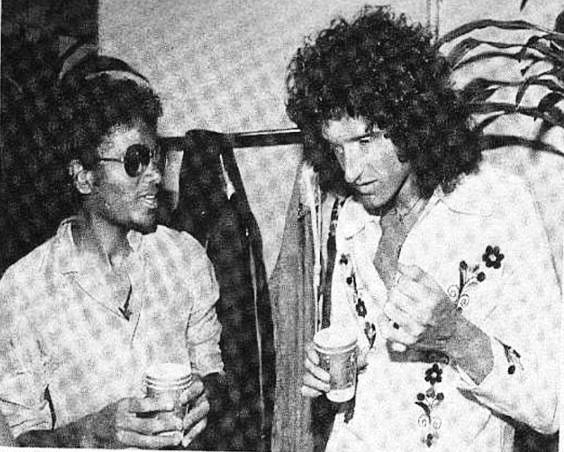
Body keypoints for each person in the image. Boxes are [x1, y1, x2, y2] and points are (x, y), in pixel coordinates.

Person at [278, 6, 560, 452]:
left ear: (412, 119)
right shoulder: (351, 217)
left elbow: (550, 403)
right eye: (337, 149)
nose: (351, 171)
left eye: (365, 141)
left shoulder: (499, 206)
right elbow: (360, 355)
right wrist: (332, 370)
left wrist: (454, 334)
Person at [0, 56, 224, 448]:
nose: (156, 175)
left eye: (157, 157)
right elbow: (19, 438)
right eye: (135, 161)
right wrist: (92, 432)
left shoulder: (185, 259)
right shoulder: (24, 288)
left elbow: (214, 370)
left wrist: (207, 396)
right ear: (84, 177)